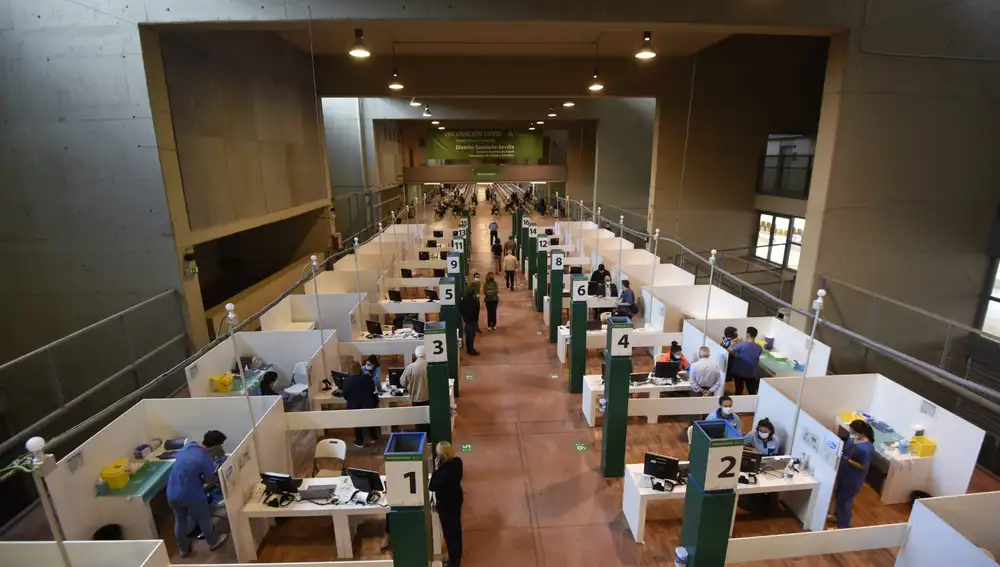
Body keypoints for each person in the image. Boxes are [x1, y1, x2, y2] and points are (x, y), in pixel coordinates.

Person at [166, 430, 229, 557]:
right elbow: (209, 480)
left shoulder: (189, 446)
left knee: (179, 520)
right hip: (192, 495)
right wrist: (217, 475)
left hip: (172, 493)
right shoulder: (205, 459)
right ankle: (213, 542)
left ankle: (183, 549)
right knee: (204, 519)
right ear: (216, 445)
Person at [830, 419, 875, 529]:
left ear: (861, 433)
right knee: (838, 494)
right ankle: (837, 516)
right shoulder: (852, 440)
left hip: (853, 478)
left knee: (844, 500)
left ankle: (843, 526)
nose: (851, 434)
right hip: (844, 472)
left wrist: (848, 460)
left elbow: (863, 466)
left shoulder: (866, 449)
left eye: (853, 432)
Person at [430, 441, 464, 567]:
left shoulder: (443, 472)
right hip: (456, 499)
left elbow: (432, 486)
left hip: (446, 505)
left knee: (449, 533)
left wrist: (436, 469)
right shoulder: (458, 462)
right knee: (456, 529)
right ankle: (457, 555)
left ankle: (453, 562)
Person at [343, 361, 379, 447]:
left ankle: (359, 441)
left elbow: (345, 395)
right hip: (368, 406)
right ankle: (373, 437)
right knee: (370, 418)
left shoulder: (346, 381)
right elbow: (373, 389)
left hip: (354, 407)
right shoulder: (367, 378)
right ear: (360, 369)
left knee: (357, 421)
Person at [400, 346, 429, 430]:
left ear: (416, 355)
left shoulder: (410, 367)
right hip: (429, 397)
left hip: (416, 398)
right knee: (429, 418)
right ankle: (430, 438)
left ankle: (422, 437)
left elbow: (402, 382)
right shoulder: (430, 366)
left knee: (419, 420)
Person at [730, 326, 763, 395]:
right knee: (752, 392)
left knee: (739, 390)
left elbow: (730, 351)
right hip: (751, 373)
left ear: (747, 335)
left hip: (739, 372)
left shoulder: (742, 344)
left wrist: (734, 343)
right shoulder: (759, 347)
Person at [459, 287, 480, 355]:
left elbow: (460, 309)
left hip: (467, 320)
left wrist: (464, 316)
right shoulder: (475, 301)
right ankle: (471, 349)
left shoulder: (463, 300)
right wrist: (476, 319)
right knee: (471, 336)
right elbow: (477, 311)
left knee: (467, 335)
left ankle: (468, 348)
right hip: (473, 320)